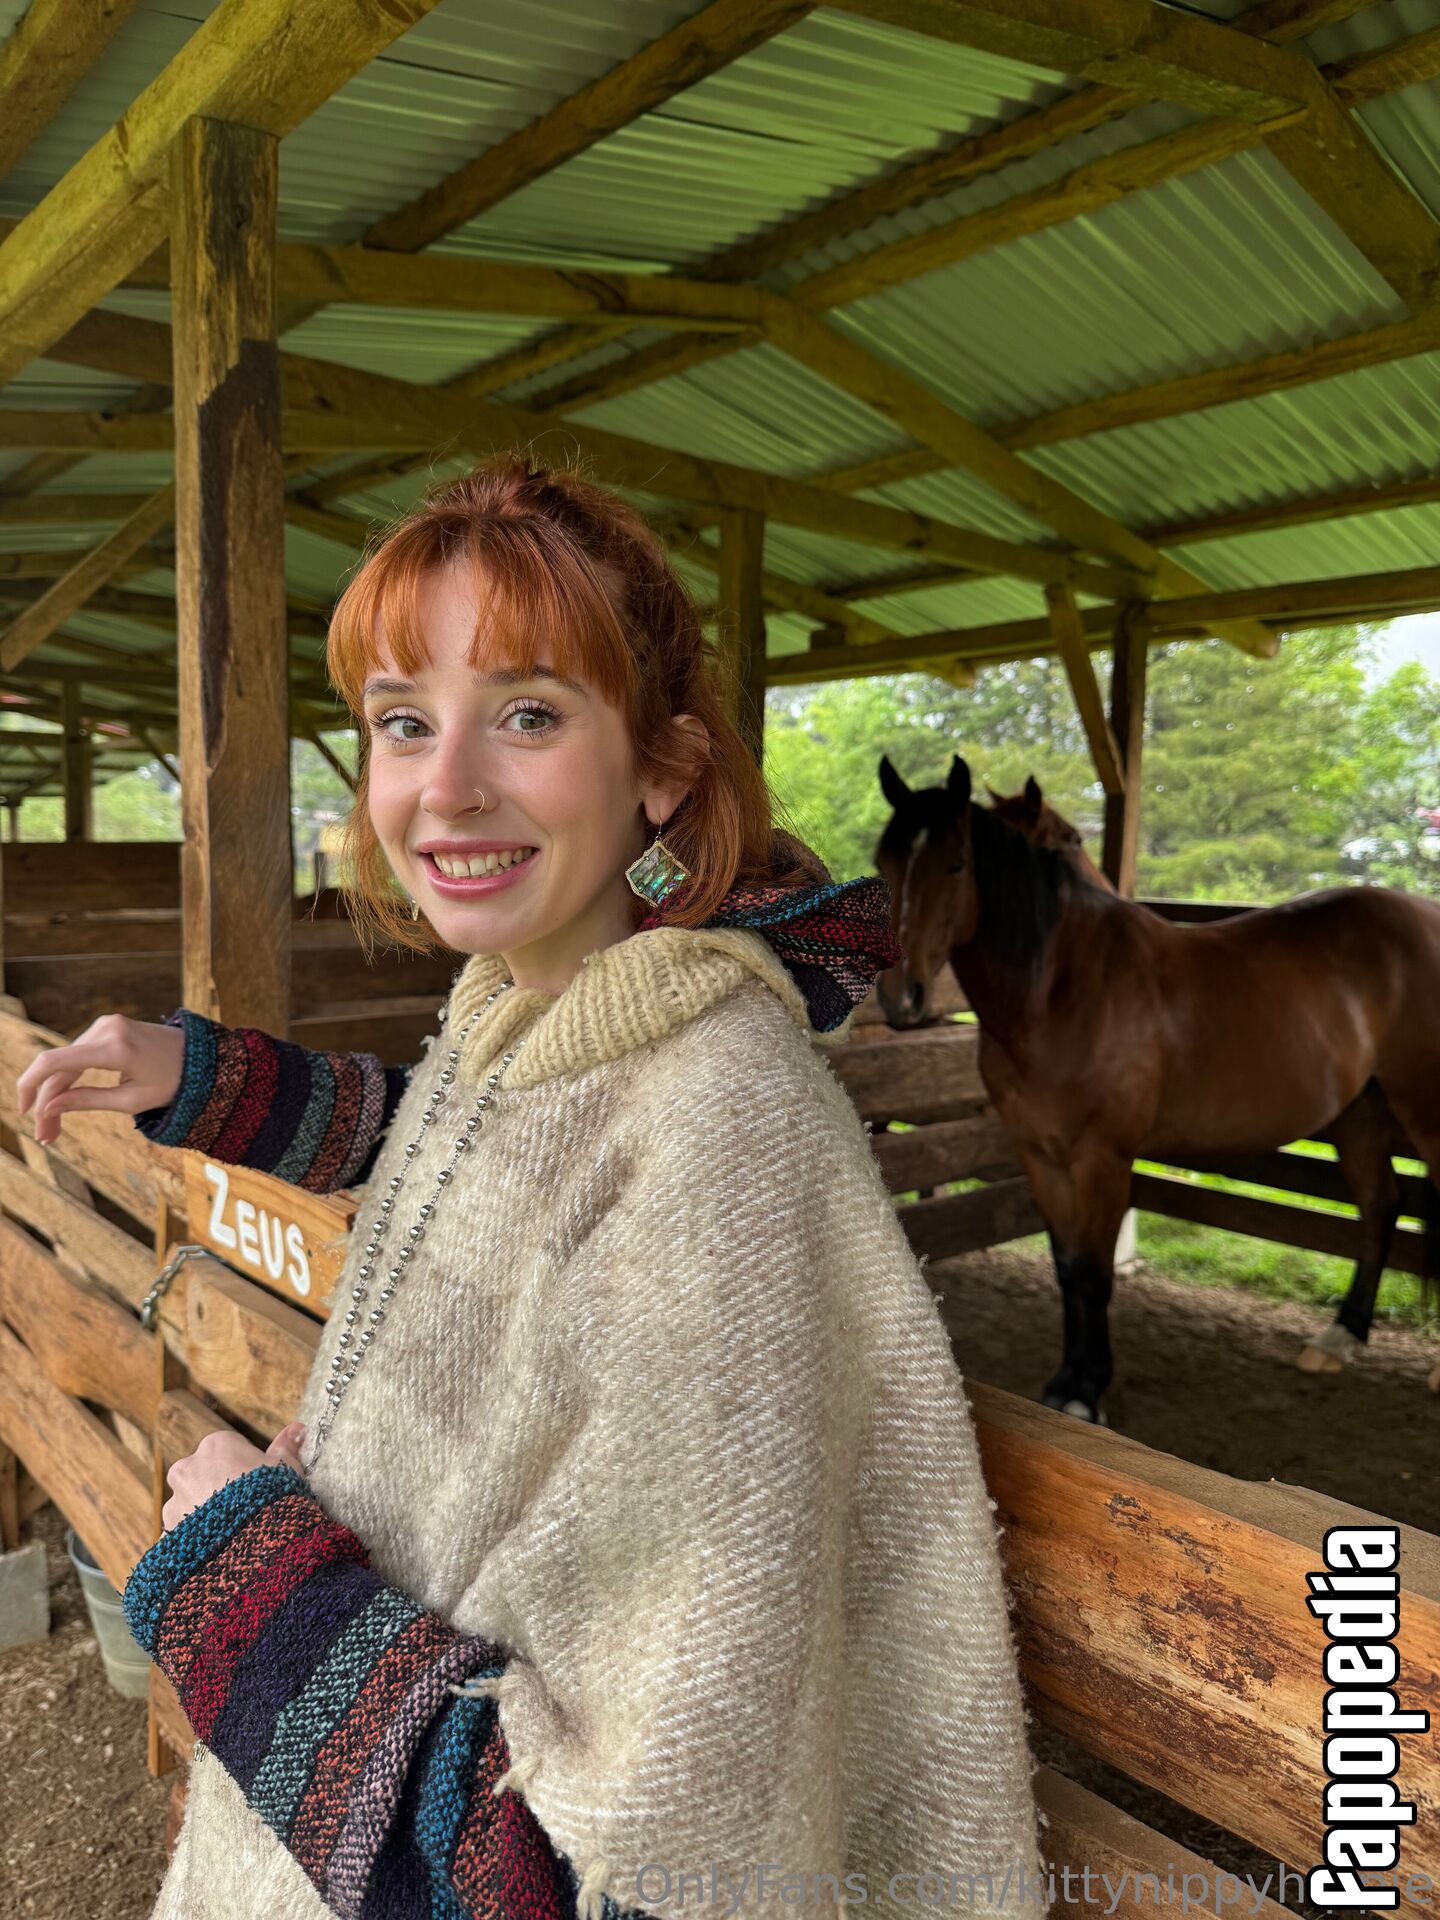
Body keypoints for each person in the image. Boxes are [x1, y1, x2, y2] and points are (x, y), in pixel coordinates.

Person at [16, 456, 1045, 1920]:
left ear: (664, 768)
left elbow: (590, 1884)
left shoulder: (723, 1139)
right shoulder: (526, 1010)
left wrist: (251, 1576)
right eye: (402, 722)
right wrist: (204, 1077)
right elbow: (455, 1147)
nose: (444, 787)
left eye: (529, 715)